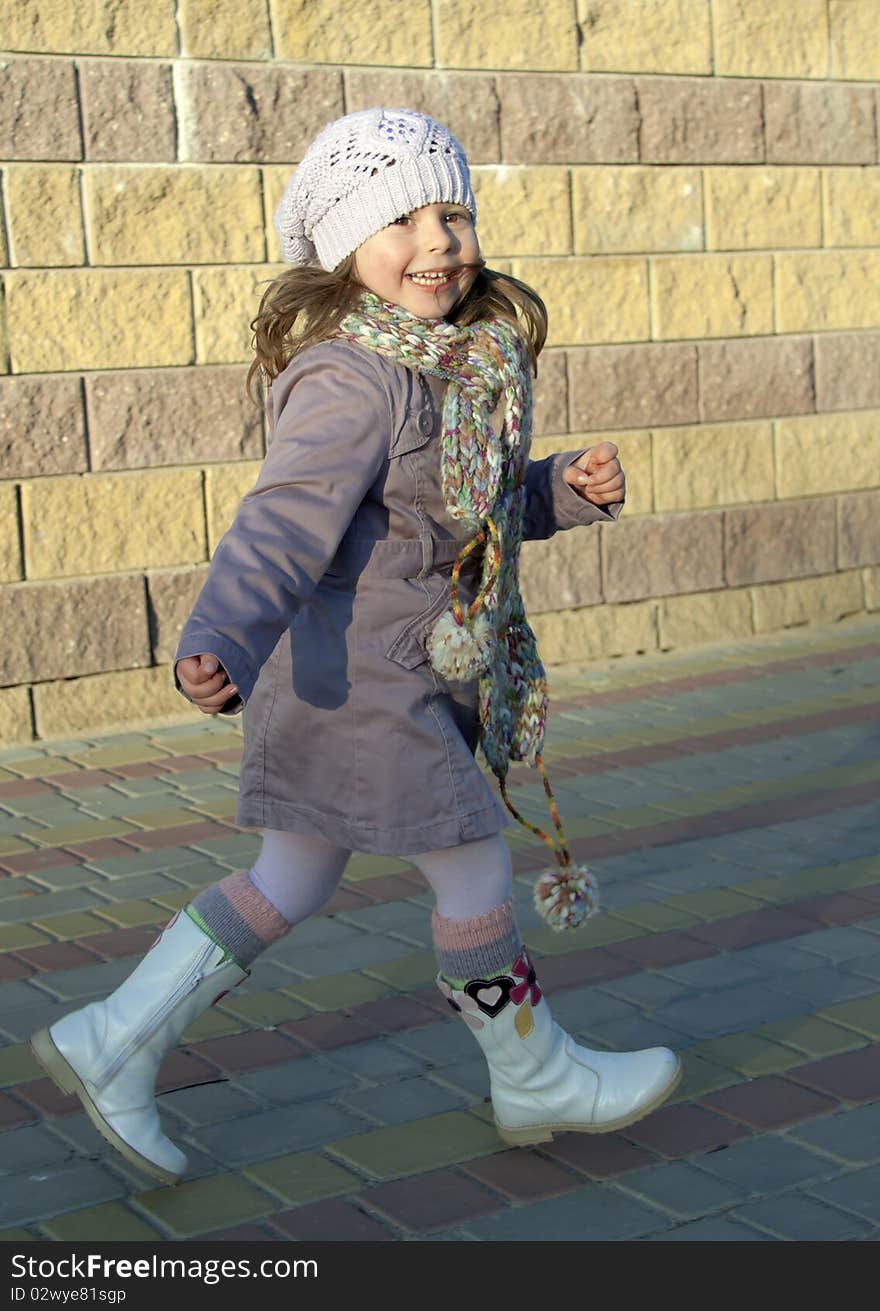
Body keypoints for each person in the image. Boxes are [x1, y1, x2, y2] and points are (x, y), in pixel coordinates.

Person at [30, 108, 681, 1187]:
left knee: (288, 874)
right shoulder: (350, 377)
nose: (438, 241)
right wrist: (223, 637)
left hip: (384, 676)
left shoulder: (455, 368)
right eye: (402, 220)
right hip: (359, 686)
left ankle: (116, 1037)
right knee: (469, 857)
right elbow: (282, 522)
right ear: (343, 247)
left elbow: (453, 517)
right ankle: (535, 1075)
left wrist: (557, 490)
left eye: (453, 212)